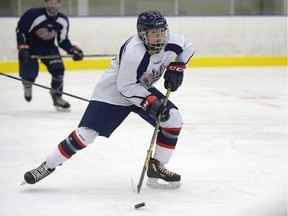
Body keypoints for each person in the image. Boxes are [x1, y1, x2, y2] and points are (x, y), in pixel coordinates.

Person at [23, 10, 194, 189]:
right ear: (142, 34)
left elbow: (188, 46)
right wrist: (150, 102)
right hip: (113, 93)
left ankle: (156, 166)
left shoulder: (172, 41)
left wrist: (178, 65)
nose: (159, 37)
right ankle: (47, 165)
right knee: (86, 134)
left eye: (161, 32)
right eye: (153, 33)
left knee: (173, 118)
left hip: (141, 89)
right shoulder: (134, 52)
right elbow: (126, 87)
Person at [16, 0, 84, 109]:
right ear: (45, 4)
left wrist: (72, 50)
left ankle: (57, 97)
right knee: (29, 76)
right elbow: (21, 31)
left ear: (59, 5)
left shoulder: (63, 20)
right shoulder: (33, 15)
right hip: (30, 48)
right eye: (50, 2)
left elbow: (62, 41)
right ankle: (27, 86)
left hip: (49, 48)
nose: (53, 5)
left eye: (55, 3)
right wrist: (23, 46)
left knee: (59, 72)